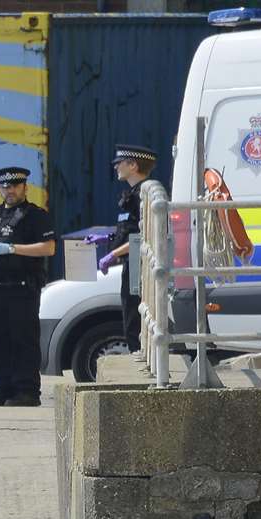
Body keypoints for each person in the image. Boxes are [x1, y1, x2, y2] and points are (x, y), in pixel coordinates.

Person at [0, 165, 57, 407]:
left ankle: (27, 391)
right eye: (5, 186)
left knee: (23, 341)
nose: (10, 190)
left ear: (25, 187)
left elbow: (49, 247)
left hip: (20, 289)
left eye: (15, 185)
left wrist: (13, 248)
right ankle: (2, 389)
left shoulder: (35, 215)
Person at [96, 144, 157, 360]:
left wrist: (112, 254)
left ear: (133, 165)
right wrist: (110, 238)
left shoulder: (145, 194)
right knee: (131, 310)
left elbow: (144, 236)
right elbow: (130, 229)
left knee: (136, 312)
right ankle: (138, 353)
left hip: (139, 263)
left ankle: (140, 355)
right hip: (132, 260)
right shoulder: (134, 193)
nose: (116, 168)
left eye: (119, 163)